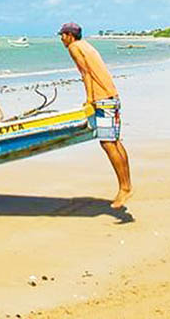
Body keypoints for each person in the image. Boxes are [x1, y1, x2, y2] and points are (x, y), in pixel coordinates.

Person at [59, 22, 133, 209]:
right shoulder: (87, 45)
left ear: (70, 35)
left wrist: (90, 99)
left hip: (102, 99)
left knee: (108, 143)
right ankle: (127, 185)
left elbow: (86, 72)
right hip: (112, 95)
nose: (61, 39)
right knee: (114, 142)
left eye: (63, 35)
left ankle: (125, 187)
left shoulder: (75, 47)